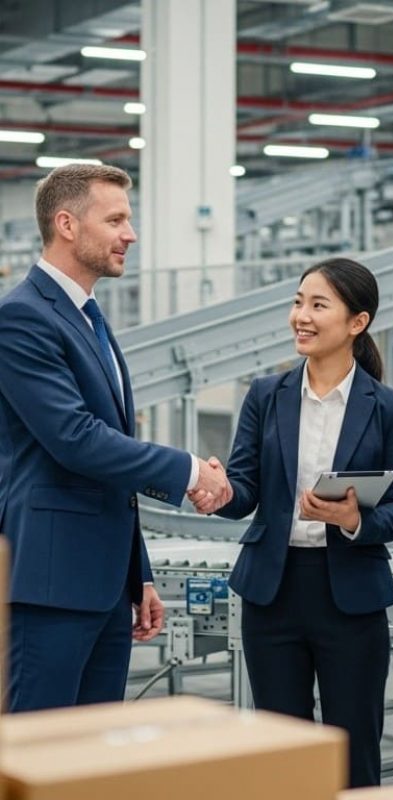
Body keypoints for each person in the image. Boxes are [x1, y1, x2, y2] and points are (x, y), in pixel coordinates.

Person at [0, 163, 231, 712]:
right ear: (67, 225)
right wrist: (191, 471)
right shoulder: (22, 318)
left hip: (103, 588)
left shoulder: (88, 318)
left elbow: (107, 473)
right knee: (37, 755)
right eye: (116, 219)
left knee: (93, 759)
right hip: (49, 585)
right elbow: (76, 439)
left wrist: (138, 576)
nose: (131, 234)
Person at [190, 257, 393, 787]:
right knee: (281, 750)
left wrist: (353, 518)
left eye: (318, 305)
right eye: (298, 303)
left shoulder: (386, 408)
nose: (301, 316)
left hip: (350, 598)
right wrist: (217, 490)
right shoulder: (267, 396)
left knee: (352, 750)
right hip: (273, 592)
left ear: (356, 323)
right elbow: (244, 491)